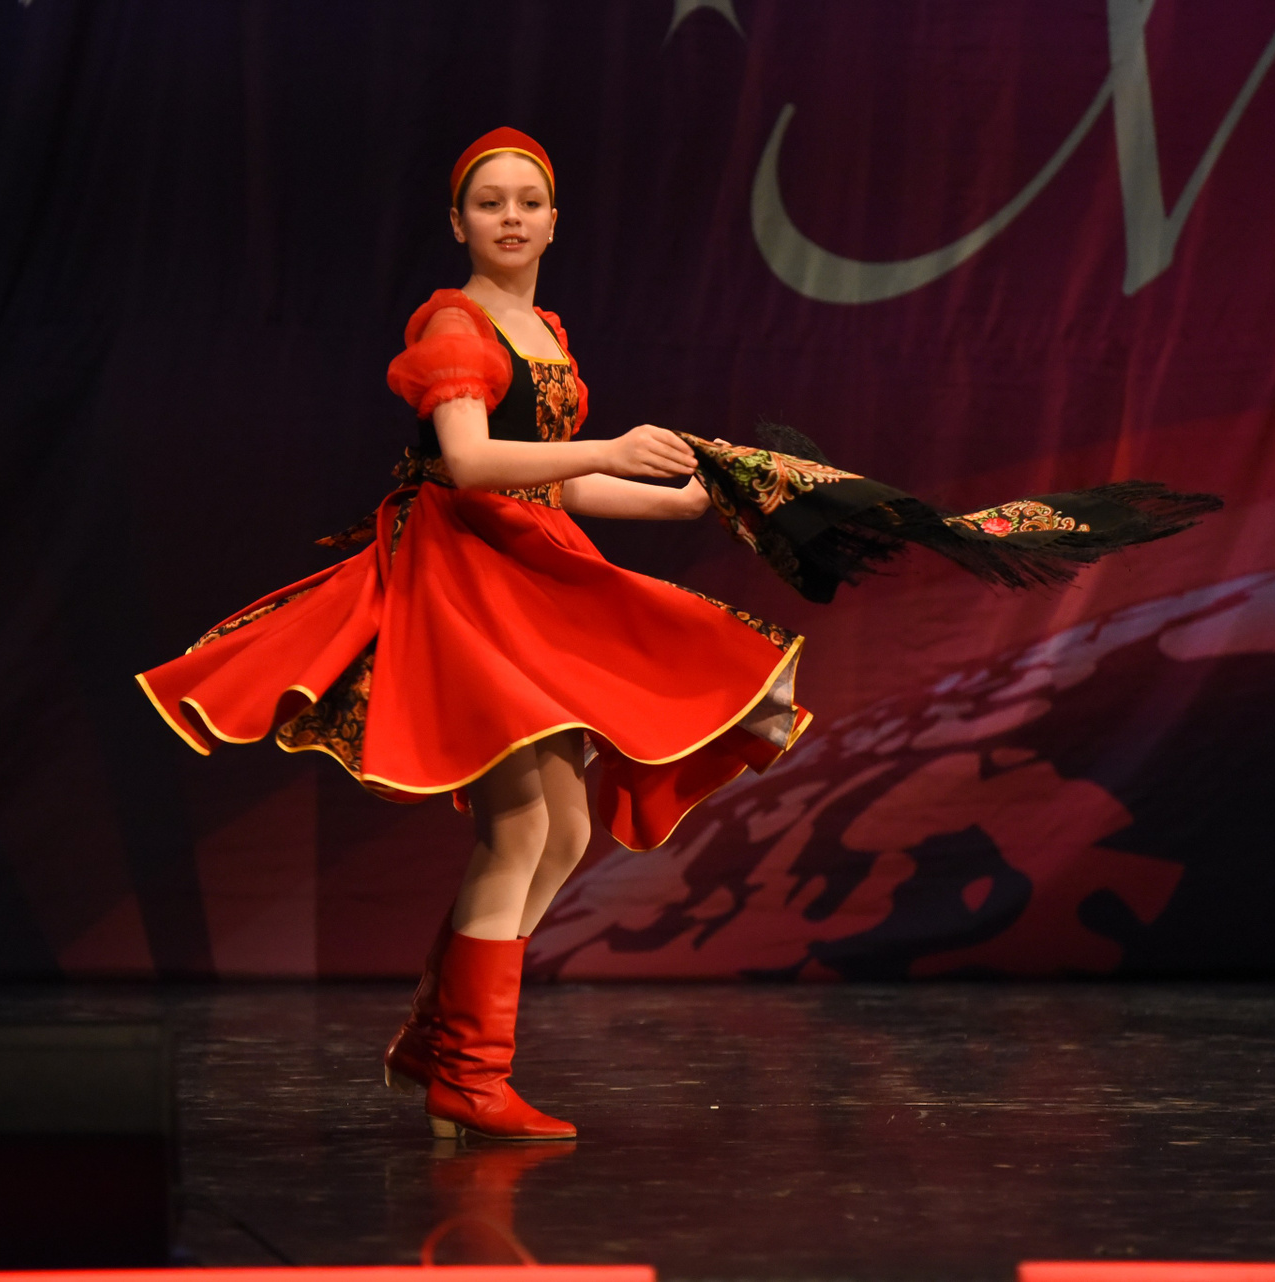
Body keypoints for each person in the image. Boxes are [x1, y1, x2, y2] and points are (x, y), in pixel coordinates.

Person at [137, 128, 810, 1141]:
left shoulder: (544, 328)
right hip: (461, 577)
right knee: (522, 826)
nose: (511, 218)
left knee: (567, 830)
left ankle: (434, 1037)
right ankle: (468, 1072)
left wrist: (681, 501)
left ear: (554, 220)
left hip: (527, 567)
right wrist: (612, 447)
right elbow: (470, 461)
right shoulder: (454, 326)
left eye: (528, 202)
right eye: (489, 203)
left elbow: (549, 478)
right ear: (458, 222)